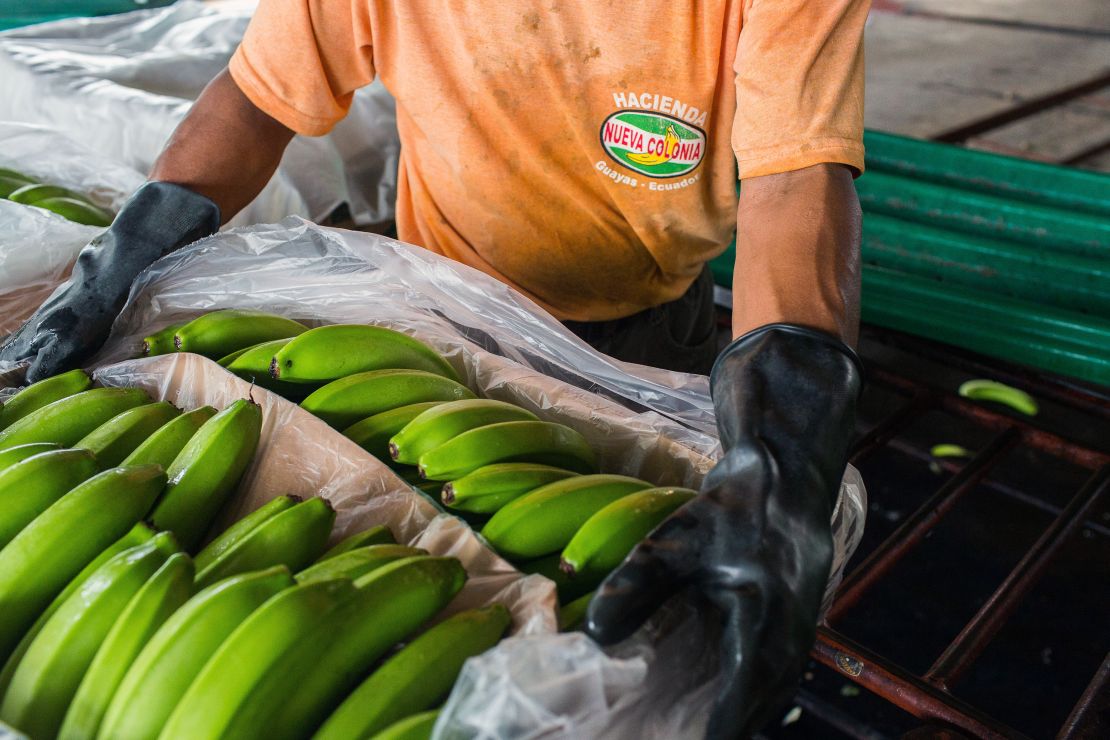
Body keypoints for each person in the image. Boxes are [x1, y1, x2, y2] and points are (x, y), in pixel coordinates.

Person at [0, 2, 867, 736]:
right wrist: (134, 245)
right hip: (445, 307)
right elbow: (258, 97)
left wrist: (785, 442)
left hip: (658, 316)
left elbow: (796, 179)